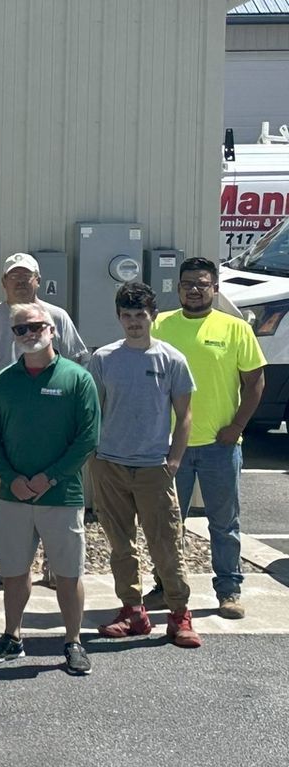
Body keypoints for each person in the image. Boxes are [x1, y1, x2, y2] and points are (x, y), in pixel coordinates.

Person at [0, 300, 100, 675]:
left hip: (61, 496)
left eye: (36, 326)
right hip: (14, 495)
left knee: (68, 573)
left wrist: (50, 477)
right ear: (13, 335)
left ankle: (73, 641)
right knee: (14, 572)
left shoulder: (77, 379)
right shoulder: (3, 382)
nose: (30, 334)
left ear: (53, 330)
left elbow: (87, 438)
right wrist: (11, 478)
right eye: (21, 329)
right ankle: (12, 636)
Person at [153, 256, 266, 620]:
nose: (194, 290)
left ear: (215, 289)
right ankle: (166, 587)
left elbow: (255, 382)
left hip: (221, 445)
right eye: (188, 284)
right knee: (168, 522)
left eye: (202, 284)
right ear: (178, 288)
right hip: (172, 446)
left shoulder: (235, 328)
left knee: (224, 523)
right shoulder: (159, 325)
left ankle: (229, 590)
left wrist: (237, 427)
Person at [87, 282, 199, 648]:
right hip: (110, 465)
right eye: (127, 315)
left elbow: (184, 415)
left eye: (140, 315)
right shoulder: (104, 358)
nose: (134, 322)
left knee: (166, 544)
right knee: (121, 545)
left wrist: (174, 460)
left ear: (152, 316)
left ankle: (179, 615)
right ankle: (132, 611)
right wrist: (94, 457)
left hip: (154, 467)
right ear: (119, 317)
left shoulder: (171, 359)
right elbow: (93, 410)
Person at [0, 254, 87, 585]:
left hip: (52, 425)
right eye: (14, 276)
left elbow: (78, 363)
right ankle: (4, 559)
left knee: (51, 489)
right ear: (3, 282)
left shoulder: (57, 316)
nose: (21, 282)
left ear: (39, 280)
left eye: (28, 276)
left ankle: (54, 564)